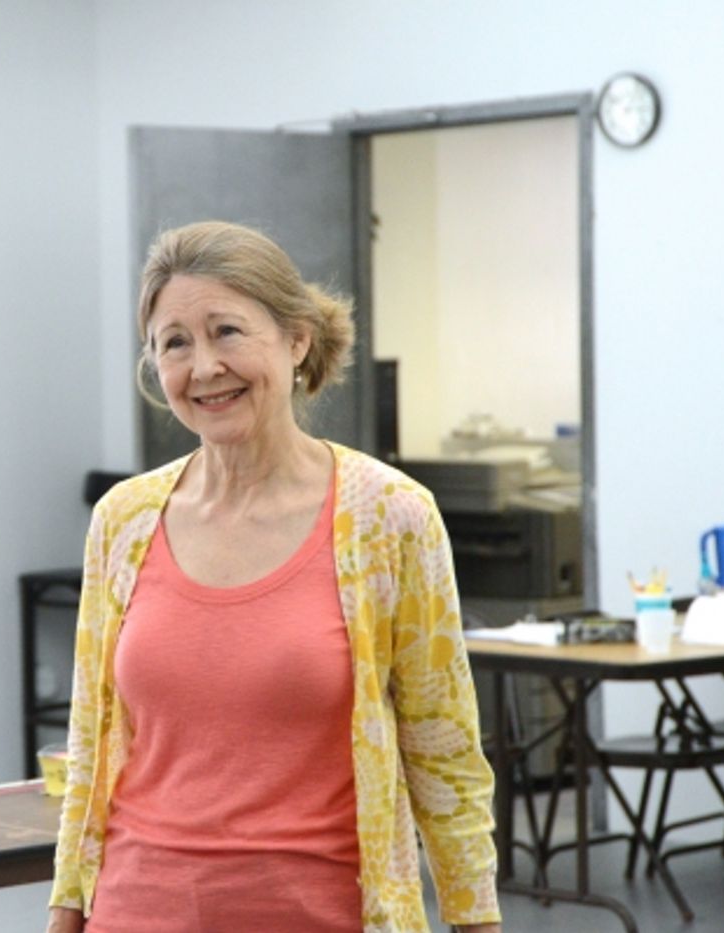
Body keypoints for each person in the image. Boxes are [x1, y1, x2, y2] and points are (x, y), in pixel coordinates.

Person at [47, 221, 501, 933]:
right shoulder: (122, 520)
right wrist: (66, 910)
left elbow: (443, 752)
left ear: (297, 340)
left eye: (227, 331)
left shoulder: (391, 517)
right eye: (175, 342)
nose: (203, 367)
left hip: (321, 912)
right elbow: (91, 741)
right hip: (137, 910)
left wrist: (477, 921)